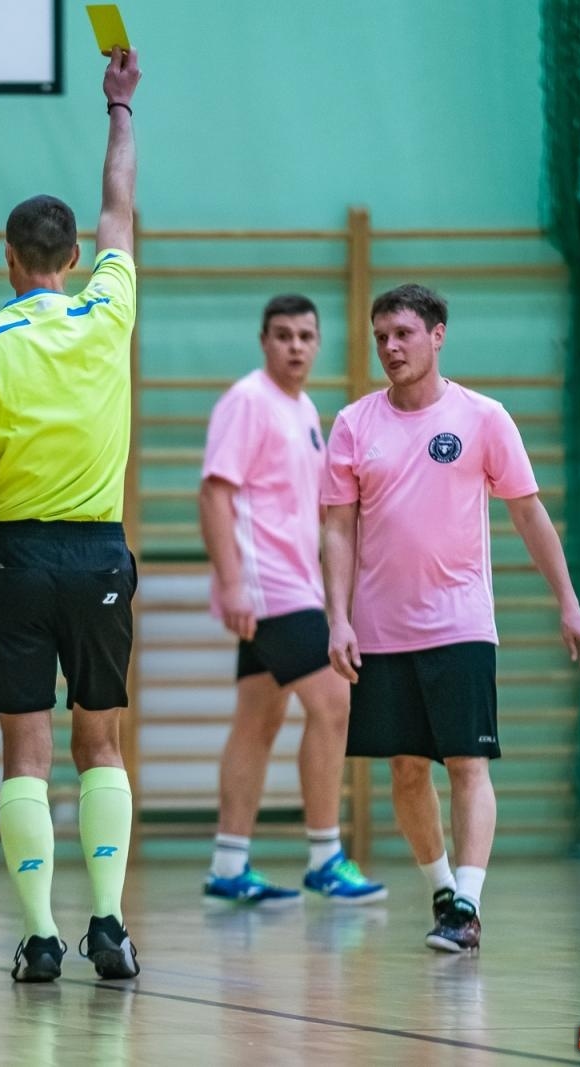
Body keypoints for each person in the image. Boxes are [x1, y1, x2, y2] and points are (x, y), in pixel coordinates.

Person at [0, 46, 141, 983]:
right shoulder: (110, 309)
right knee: (102, 741)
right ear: (77, 259)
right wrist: (119, 111)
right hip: (100, 556)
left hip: (13, 558)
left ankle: (42, 937)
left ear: (9, 260)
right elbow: (121, 207)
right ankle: (110, 926)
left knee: (29, 751)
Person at [321, 284, 580, 953]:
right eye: (381, 335)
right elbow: (335, 530)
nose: (390, 347)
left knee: (468, 762)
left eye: (404, 334)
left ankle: (468, 902)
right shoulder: (354, 424)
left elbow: (528, 512)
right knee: (407, 769)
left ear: (438, 335)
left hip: (461, 623)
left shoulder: (483, 418)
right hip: (381, 629)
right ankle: (442, 887)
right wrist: (338, 618)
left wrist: (569, 601)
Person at [199, 294, 385, 905]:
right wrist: (231, 584)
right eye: (283, 335)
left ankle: (229, 865)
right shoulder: (247, 401)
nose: (296, 346)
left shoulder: (303, 408)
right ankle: (326, 856)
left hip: (297, 582)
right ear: (263, 341)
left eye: (307, 336)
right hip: (269, 586)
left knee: (260, 716)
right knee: (334, 703)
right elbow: (215, 494)